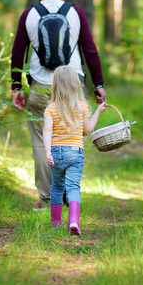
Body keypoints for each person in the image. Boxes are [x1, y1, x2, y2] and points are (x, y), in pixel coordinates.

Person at [11, 0, 107, 210]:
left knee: (41, 142)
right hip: (72, 85)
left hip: (41, 87)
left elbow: (18, 53)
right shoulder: (75, 13)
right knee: (73, 137)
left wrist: (16, 87)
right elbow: (90, 50)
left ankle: (47, 199)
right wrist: (98, 85)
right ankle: (69, 191)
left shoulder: (29, 14)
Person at [43, 65, 108, 234]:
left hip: (55, 153)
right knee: (73, 187)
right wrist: (98, 111)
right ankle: (73, 222)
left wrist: (48, 152)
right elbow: (87, 130)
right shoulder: (82, 106)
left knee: (57, 187)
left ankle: (56, 221)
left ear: (55, 85)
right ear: (76, 84)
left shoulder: (51, 108)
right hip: (74, 152)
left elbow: (47, 131)